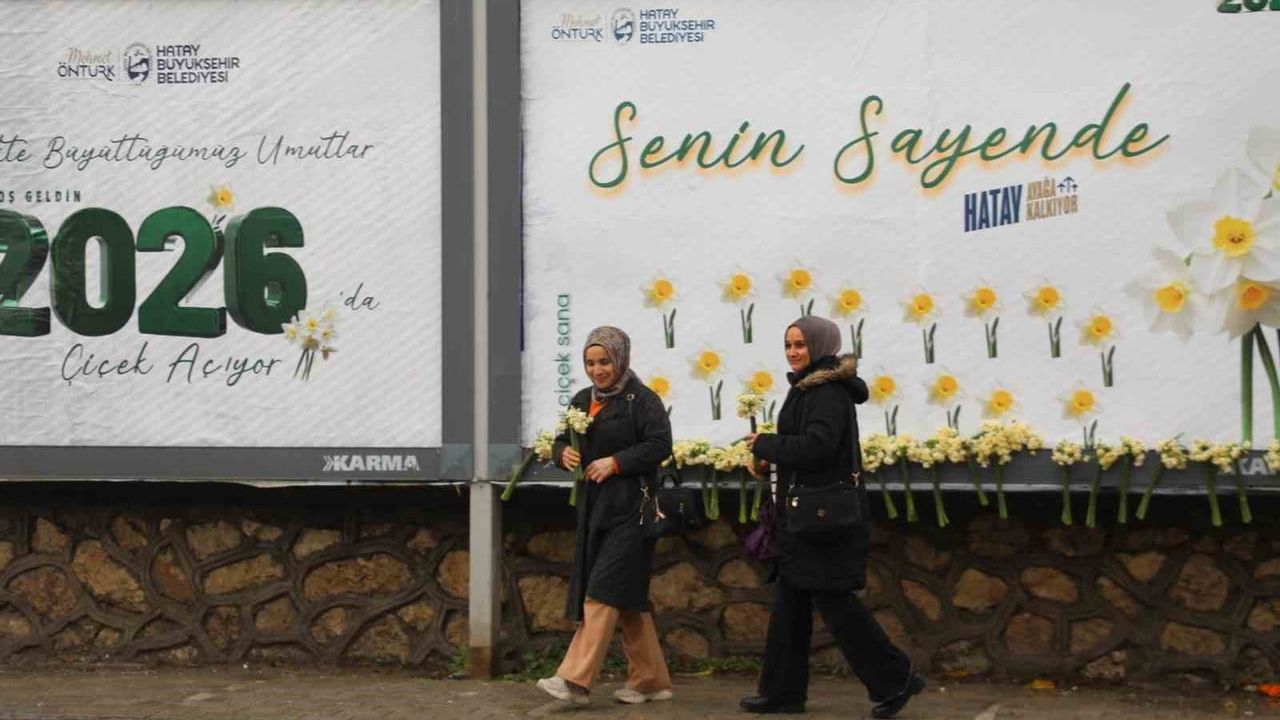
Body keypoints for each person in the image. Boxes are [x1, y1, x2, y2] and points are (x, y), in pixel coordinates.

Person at [740, 316, 926, 718]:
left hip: (822, 522)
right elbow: (810, 454)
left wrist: (768, 443)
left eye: (800, 345)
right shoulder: (810, 388)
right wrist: (769, 463)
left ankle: (896, 678)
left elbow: (819, 447)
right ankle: (782, 693)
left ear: (821, 347)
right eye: (788, 344)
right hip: (806, 518)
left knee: (836, 604)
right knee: (790, 607)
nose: (792, 352)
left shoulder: (825, 392)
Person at [536, 326, 675, 706]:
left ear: (621, 359)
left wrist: (616, 462)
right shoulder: (582, 400)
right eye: (590, 362)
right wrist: (561, 453)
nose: (597, 370)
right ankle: (650, 680)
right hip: (596, 510)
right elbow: (564, 438)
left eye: (604, 362)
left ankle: (574, 681)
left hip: (632, 508)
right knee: (626, 596)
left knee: (601, 591)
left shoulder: (642, 400)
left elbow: (660, 444)